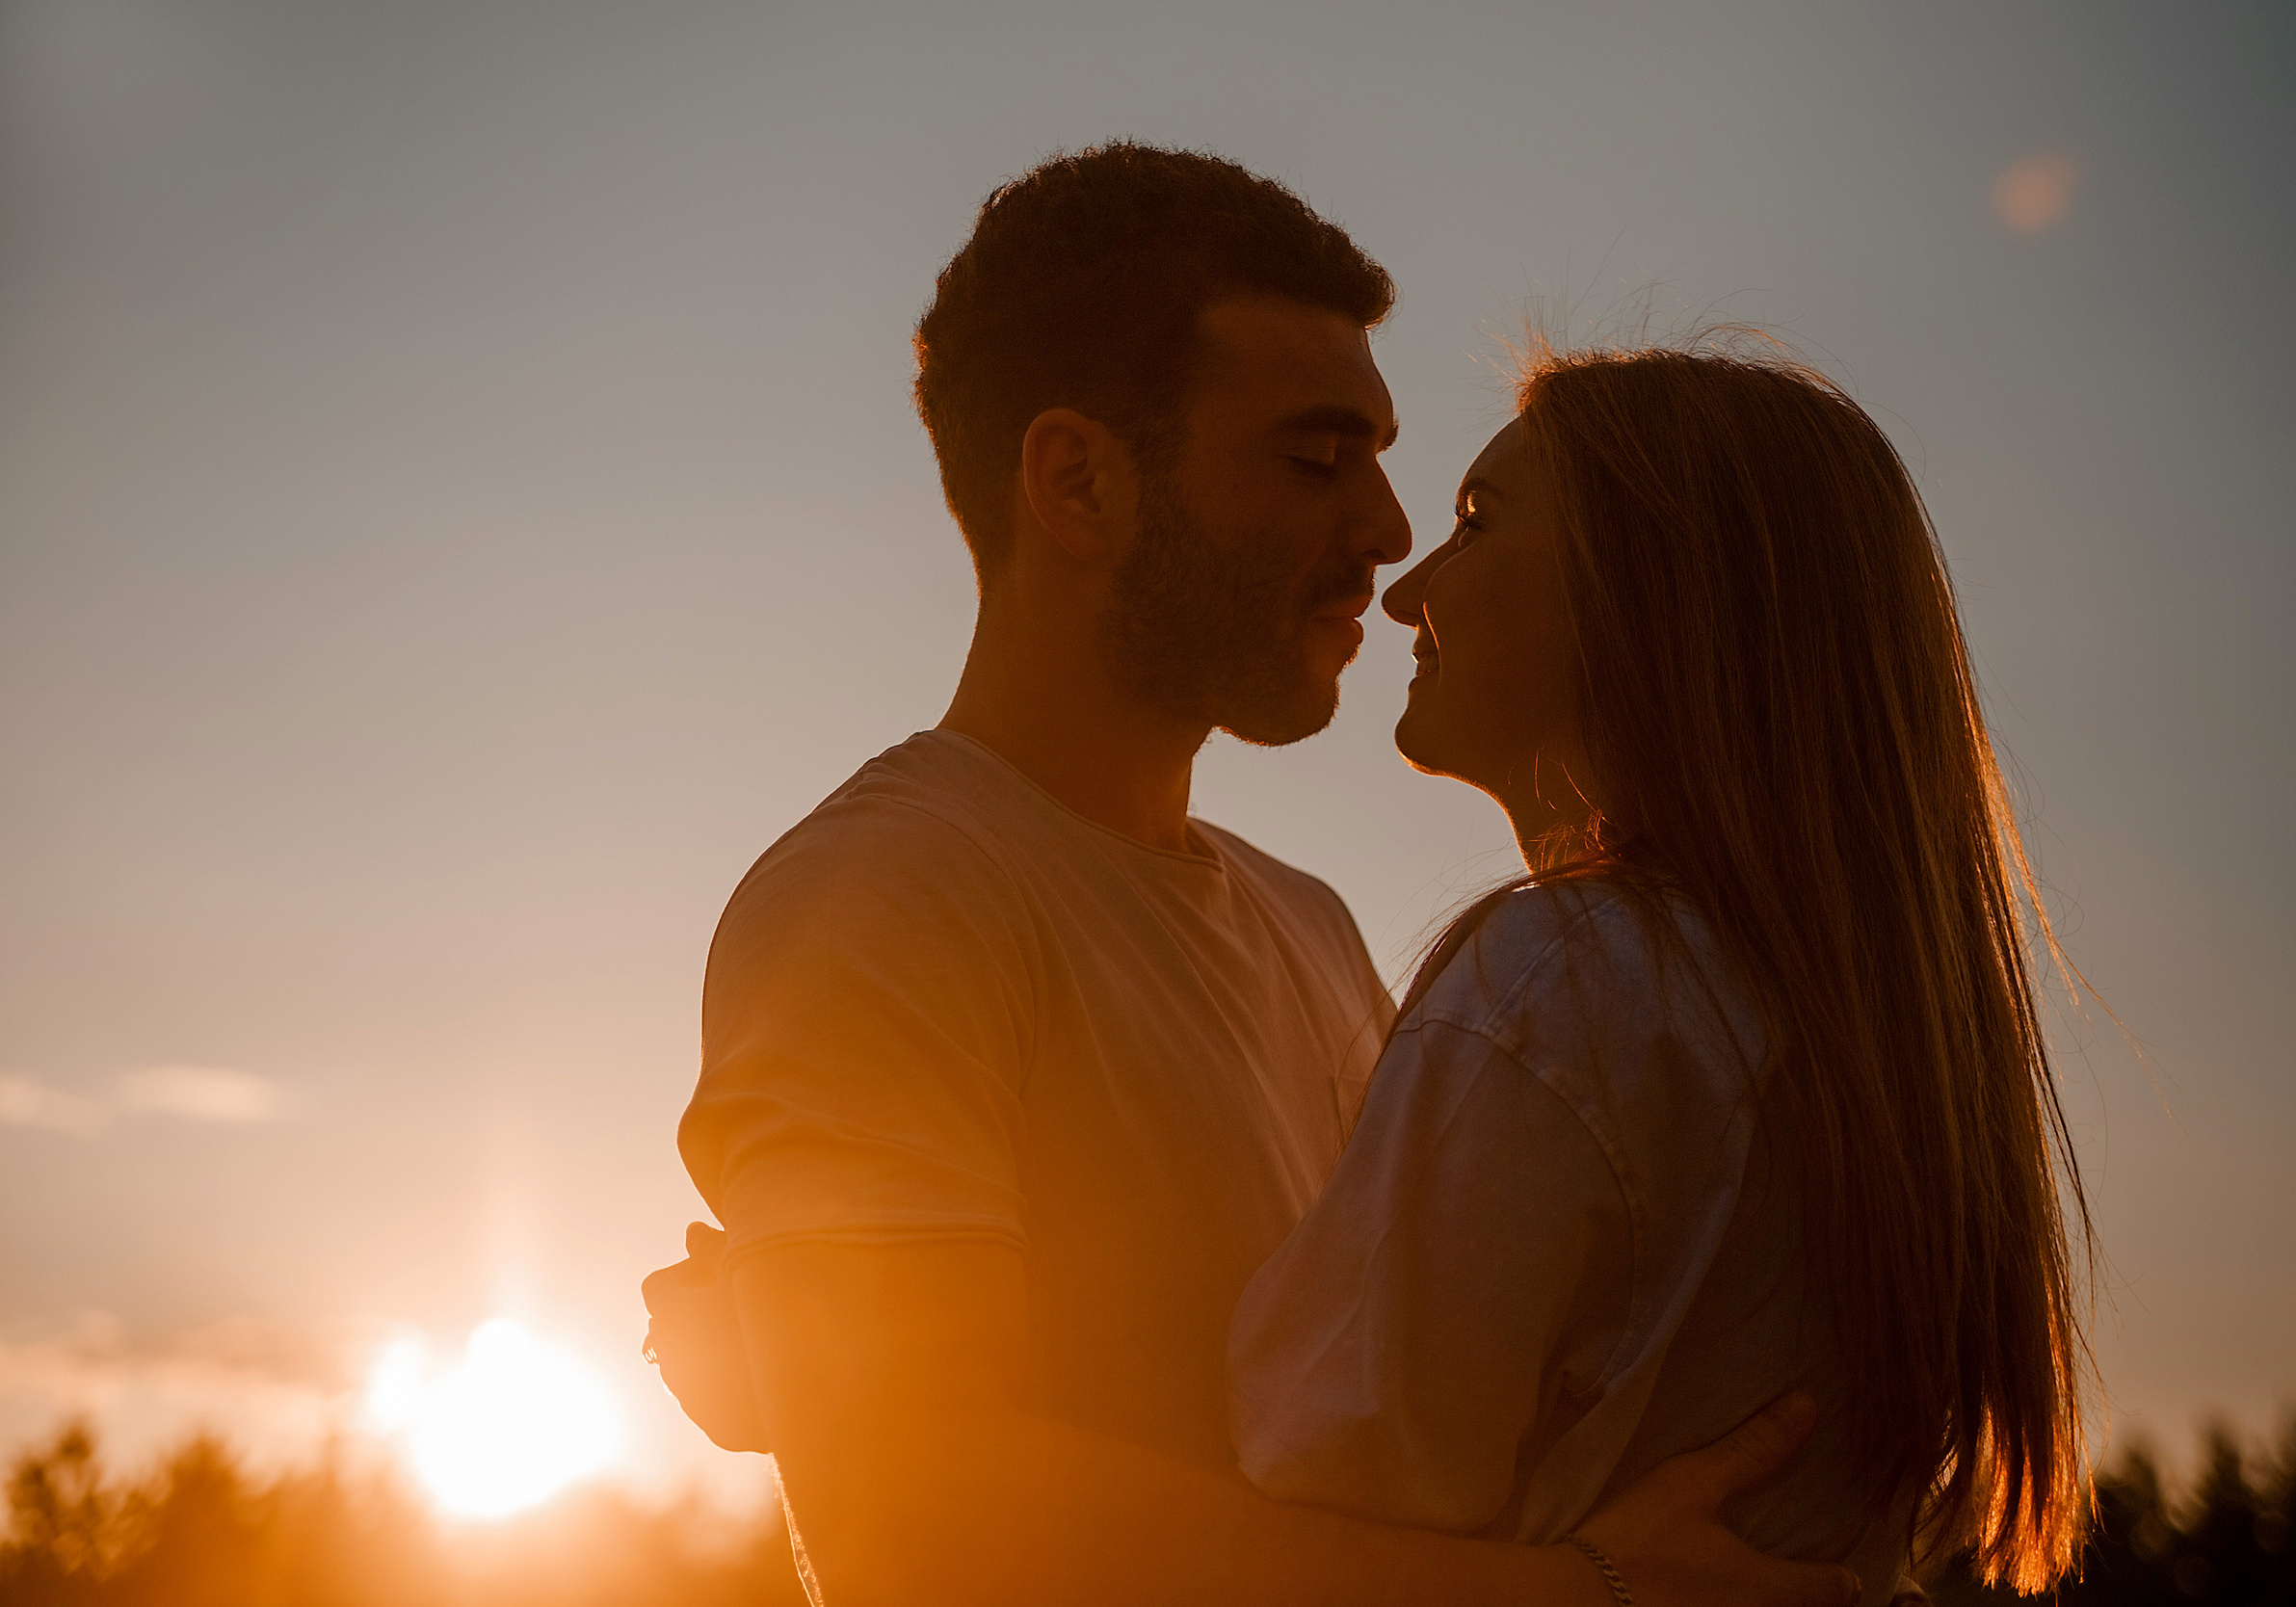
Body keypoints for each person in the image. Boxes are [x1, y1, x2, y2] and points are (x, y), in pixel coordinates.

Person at [647, 144, 1860, 1607]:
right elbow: (920, 1544)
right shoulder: (882, 900)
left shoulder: (1310, 921)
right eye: (1315, 460)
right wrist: (1586, 1596)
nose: (1390, 533)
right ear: (1079, 483)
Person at [1227, 349, 2094, 1601]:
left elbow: (1307, 1521)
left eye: (1476, 523)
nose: (1408, 595)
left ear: (1649, 590)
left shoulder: (1564, 983)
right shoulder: (1855, 1037)